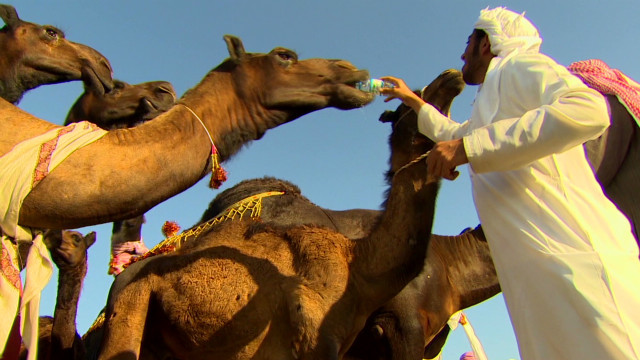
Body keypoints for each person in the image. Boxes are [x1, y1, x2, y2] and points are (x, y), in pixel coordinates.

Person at [381, 6, 640, 360]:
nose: (461, 54)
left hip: (576, 258)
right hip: (534, 276)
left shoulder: (522, 66)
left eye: (468, 42)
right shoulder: (492, 98)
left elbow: (588, 109)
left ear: (487, 44)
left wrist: (468, 147)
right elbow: (454, 133)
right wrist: (412, 100)